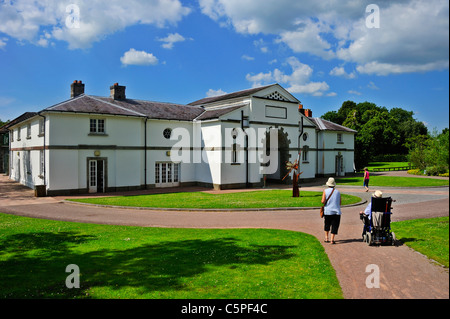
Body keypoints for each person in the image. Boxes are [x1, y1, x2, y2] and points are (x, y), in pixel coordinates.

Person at [321, 177, 342, 244]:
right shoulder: (338, 192)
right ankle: (332, 239)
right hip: (336, 212)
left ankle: (326, 238)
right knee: (335, 225)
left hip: (328, 211)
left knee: (327, 224)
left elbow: (323, 201)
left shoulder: (325, 191)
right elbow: (340, 202)